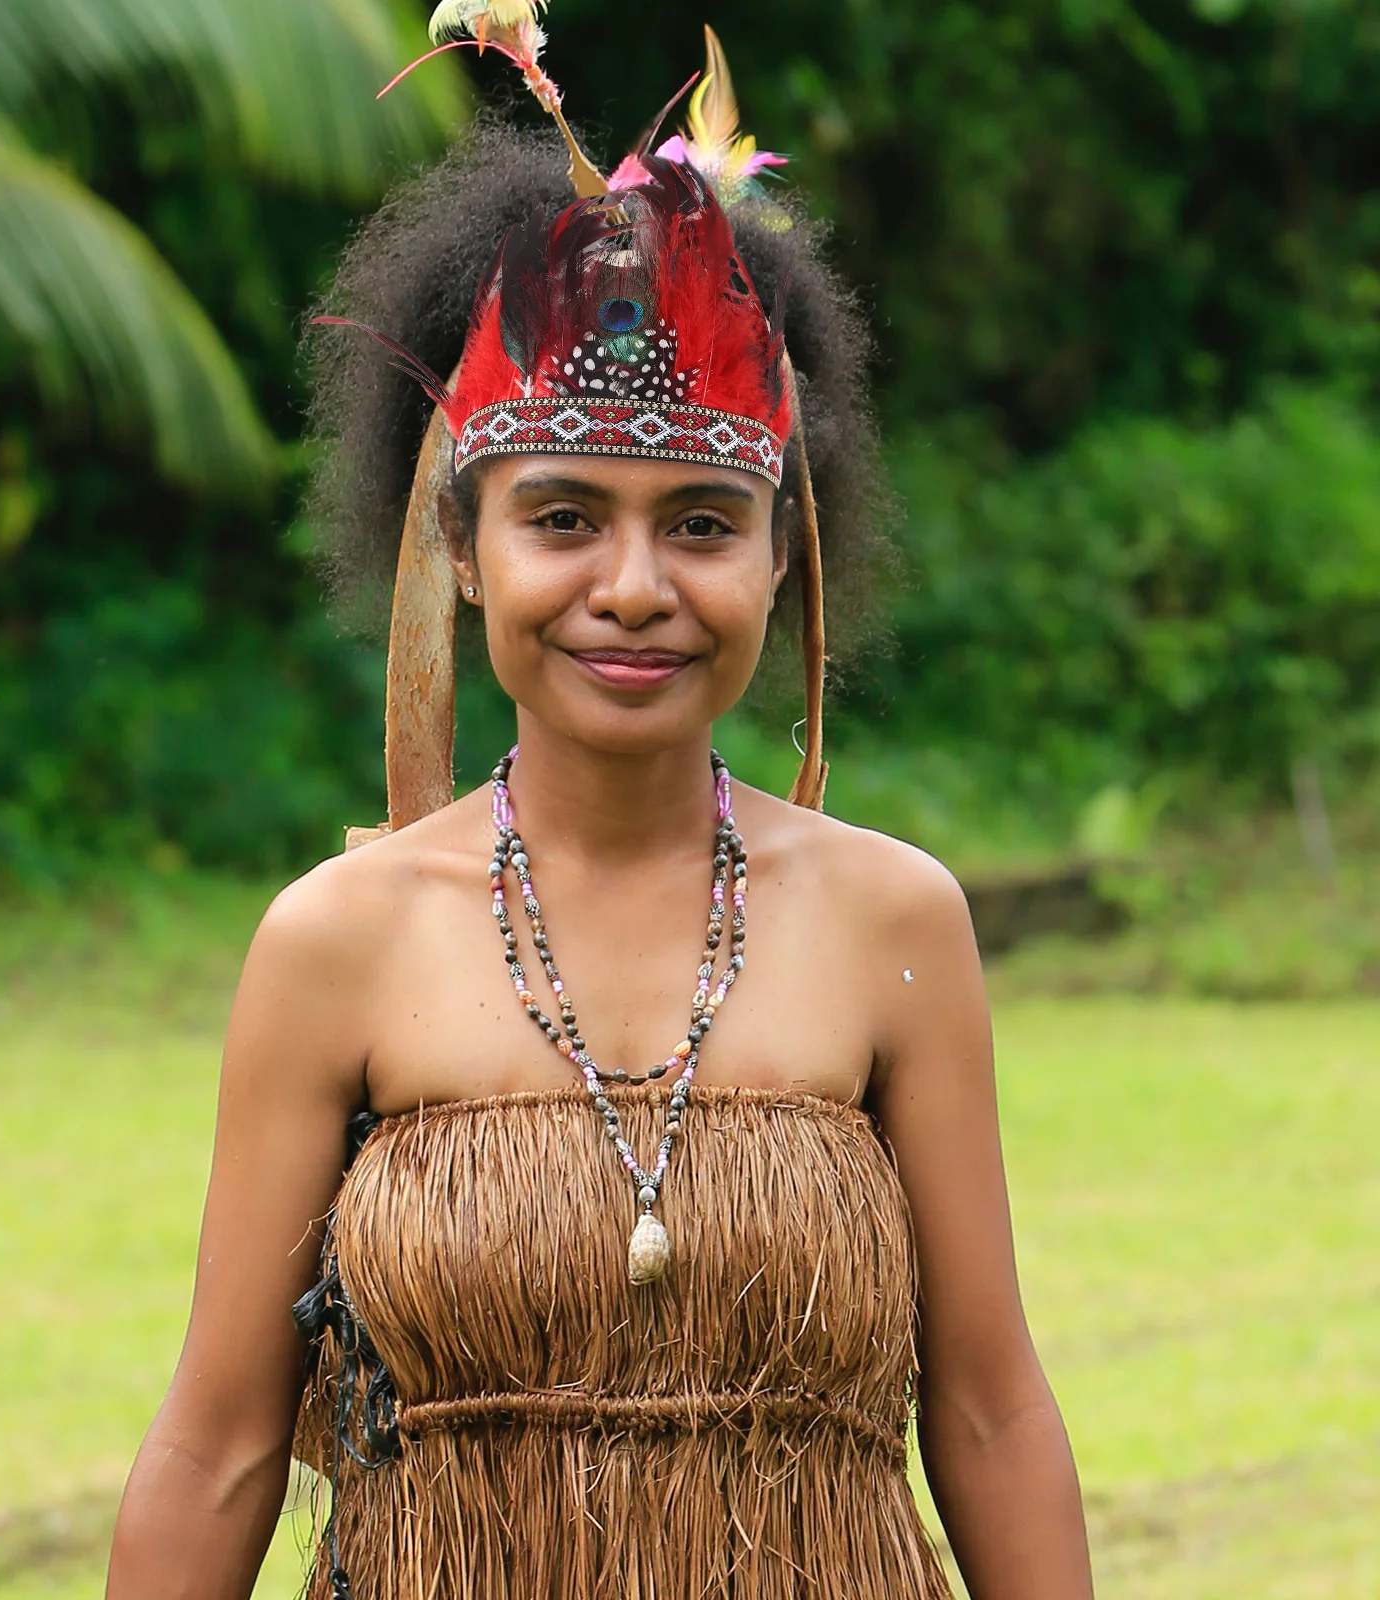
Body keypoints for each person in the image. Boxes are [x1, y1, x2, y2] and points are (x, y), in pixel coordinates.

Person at [106, 13, 1094, 1598]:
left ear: (787, 553)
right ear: (464, 541)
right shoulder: (337, 943)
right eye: (563, 517)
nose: (631, 589)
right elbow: (221, 1445)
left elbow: (983, 1411)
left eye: (702, 522)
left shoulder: (896, 922)